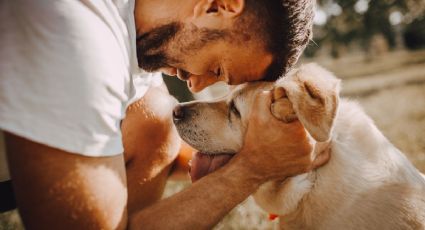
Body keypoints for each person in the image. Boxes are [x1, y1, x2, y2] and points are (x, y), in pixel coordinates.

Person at [0, 0, 322, 229]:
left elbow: (153, 143)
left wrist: (265, 152)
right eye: (216, 68)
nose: (196, 84)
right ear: (218, 6)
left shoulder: (129, 30)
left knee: (155, 120)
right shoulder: (79, 33)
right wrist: (252, 168)